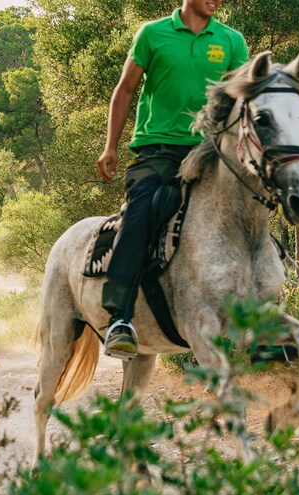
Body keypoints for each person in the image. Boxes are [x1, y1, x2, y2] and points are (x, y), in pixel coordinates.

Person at [97, 0, 249, 358]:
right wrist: (111, 146)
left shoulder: (231, 40)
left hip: (212, 150)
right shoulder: (152, 34)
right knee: (142, 212)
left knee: (250, 206)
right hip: (158, 149)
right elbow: (125, 89)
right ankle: (120, 318)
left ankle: (261, 313)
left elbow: (244, 98)